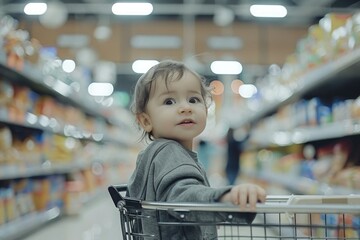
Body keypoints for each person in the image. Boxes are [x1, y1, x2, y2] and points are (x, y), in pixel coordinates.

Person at [127, 60, 266, 239]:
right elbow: (183, 196)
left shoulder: (152, 155)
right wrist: (224, 198)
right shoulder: (170, 153)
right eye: (169, 101)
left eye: (194, 99)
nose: (186, 108)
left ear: (206, 112)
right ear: (146, 121)